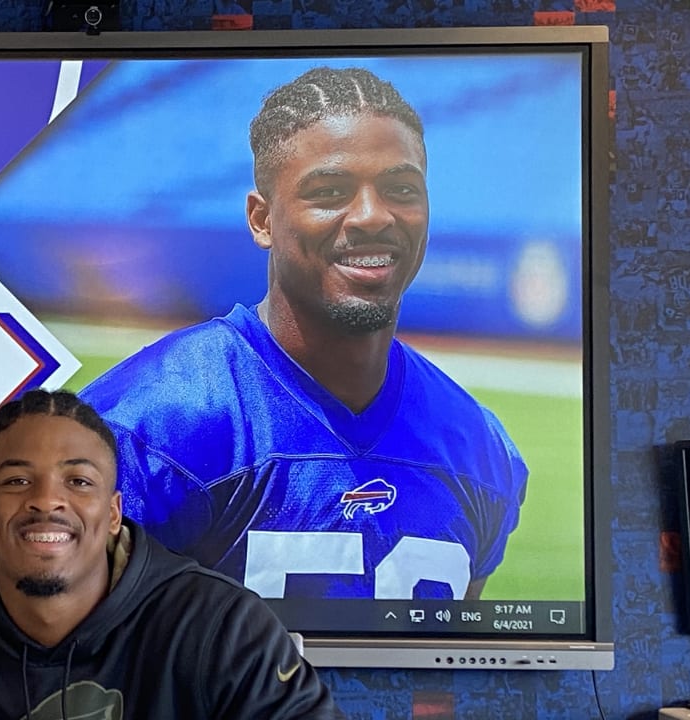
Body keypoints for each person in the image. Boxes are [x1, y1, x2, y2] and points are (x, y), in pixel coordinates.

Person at [80, 66, 528, 601]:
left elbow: (457, 668)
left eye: (401, 189)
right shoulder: (148, 426)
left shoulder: (478, 444)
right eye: (330, 190)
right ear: (262, 220)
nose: (371, 215)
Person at [0, 389, 342, 719]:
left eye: (78, 482)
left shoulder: (223, 629)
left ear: (114, 512)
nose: (46, 501)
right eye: (17, 481)